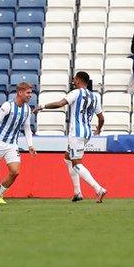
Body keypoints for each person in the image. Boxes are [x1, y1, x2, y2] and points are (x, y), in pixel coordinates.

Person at [33, 72, 107, 203]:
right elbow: (101, 118)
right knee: (68, 158)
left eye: (74, 79)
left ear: (78, 80)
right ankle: (77, 192)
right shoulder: (95, 97)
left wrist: (42, 107)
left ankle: (98, 189)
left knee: (76, 164)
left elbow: (60, 103)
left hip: (76, 133)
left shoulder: (76, 92)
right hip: (87, 133)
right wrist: (98, 129)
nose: (73, 81)